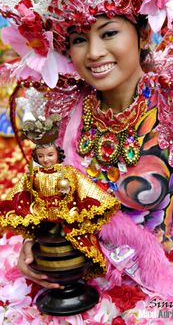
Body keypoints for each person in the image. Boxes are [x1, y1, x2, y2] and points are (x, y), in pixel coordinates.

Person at [0, 0, 173, 324]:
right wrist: (33, 244)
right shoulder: (69, 110)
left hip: (163, 295)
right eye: (80, 39)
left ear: (142, 34)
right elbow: (49, 198)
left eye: (109, 33)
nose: (94, 53)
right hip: (72, 287)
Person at [0, 114, 119, 280]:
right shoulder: (34, 176)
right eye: (41, 157)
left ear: (57, 154)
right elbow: (23, 194)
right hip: (44, 218)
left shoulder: (67, 173)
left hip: (67, 216)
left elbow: (83, 188)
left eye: (49, 155)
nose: (46, 160)